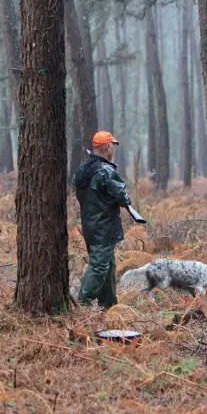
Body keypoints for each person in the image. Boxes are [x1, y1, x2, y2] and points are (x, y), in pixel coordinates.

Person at [72, 131, 132, 310]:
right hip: (104, 227)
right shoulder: (105, 171)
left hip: (90, 225)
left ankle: (109, 306)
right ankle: (81, 303)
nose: (113, 148)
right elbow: (123, 196)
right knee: (99, 267)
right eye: (112, 145)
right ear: (107, 147)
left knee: (108, 265)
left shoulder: (84, 169)